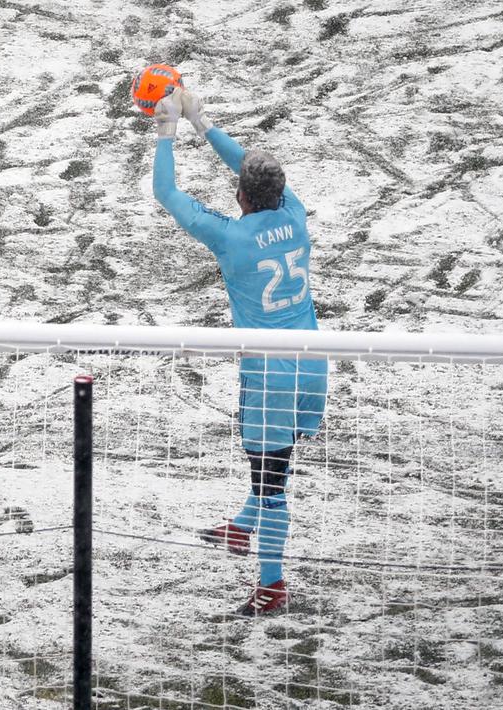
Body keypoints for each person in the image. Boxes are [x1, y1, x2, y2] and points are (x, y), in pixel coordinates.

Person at [151, 87, 328, 616]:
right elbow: (252, 168)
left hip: (268, 375)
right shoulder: (294, 214)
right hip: (313, 363)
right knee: (277, 465)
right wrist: (204, 126)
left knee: (270, 480)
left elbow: (167, 193)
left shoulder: (231, 238)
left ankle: (271, 585)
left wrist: (168, 133)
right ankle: (243, 527)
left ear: (240, 196)